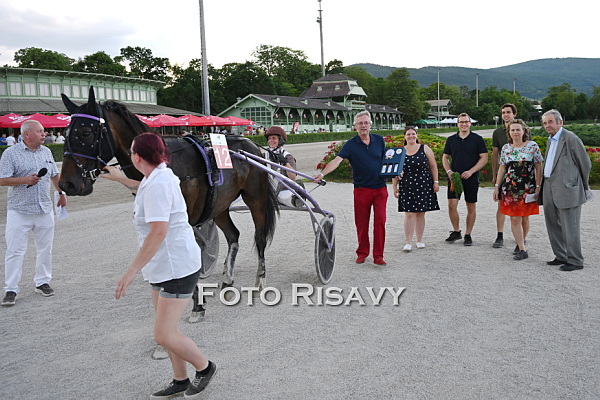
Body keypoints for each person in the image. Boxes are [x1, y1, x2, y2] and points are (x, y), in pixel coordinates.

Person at [100, 133, 217, 398]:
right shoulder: (157, 176)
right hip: (163, 264)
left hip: (176, 266)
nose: (130, 155)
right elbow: (143, 187)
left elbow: (158, 232)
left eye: (131, 151)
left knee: (163, 334)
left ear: (138, 157)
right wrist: (120, 179)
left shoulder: (159, 183)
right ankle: (180, 379)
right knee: (168, 329)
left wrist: (131, 271)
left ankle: (205, 367)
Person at [0, 120, 67, 306]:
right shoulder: (10, 153)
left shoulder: (46, 152)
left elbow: (54, 174)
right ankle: (11, 289)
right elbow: (2, 179)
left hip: (44, 208)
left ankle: (42, 281)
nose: (44, 134)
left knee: (45, 248)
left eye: (44, 131)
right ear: (26, 134)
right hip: (19, 210)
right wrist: (24, 180)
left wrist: (61, 193)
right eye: (40, 131)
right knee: (15, 250)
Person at [314, 111, 389, 265]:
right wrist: (322, 174)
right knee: (361, 223)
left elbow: (386, 161)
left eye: (366, 123)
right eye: (360, 123)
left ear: (370, 124)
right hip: (362, 190)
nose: (363, 126)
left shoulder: (379, 140)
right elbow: (337, 161)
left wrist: (396, 172)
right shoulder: (350, 144)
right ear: (355, 126)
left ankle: (378, 255)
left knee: (380, 222)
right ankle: (362, 252)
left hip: (380, 189)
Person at [538, 109, 591, 271]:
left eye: (550, 122)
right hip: (549, 187)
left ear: (560, 122)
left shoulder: (571, 139)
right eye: (545, 123)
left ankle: (575, 260)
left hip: (568, 189)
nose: (547, 125)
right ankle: (561, 255)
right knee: (552, 224)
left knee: (570, 226)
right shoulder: (550, 140)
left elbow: (585, 164)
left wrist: (581, 186)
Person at [492, 119, 543, 260]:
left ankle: (521, 242)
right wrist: (497, 187)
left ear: (523, 131)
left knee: (525, 218)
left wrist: (538, 186)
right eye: (512, 130)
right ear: (509, 132)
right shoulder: (506, 148)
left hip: (527, 188)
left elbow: (538, 166)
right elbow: (502, 167)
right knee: (514, 218)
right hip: (510, 188)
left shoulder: (532, 146)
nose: (515, 132)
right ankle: (522, 248)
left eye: (517, 129)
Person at [441, 113, 488, 246]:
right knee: (452, 205)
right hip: (455, 177)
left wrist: (471, 171)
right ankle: (456, 231)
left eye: (466, 122)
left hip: (471, 177)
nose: (464, 124)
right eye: (461, 122)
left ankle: (468, 234)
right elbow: (445, 157)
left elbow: (484, 158)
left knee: (470, 205)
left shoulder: (477, 139)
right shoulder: (451, 139)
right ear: (457, 124)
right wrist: (449, 171)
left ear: (470, 123)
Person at [392, 126, 440, 251]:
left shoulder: (425, 148)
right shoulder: (400, 151)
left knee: (420, 212)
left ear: (416, 135)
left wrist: (436, 182)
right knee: (409, 213)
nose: (411, 136)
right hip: (406, 184)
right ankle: (408, 242)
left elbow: (433, 166)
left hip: (423, 183)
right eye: (408, 134)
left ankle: (419, 240)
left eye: (413, 134)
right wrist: (394, 187)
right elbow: (395, 170)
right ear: (404, 136)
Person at [491, 103, 517, 248]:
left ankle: (520, 235)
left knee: (519, 205)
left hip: (519, 173)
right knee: (501, 204)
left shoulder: (522, 129)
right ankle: (500, 234)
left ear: (514, 114)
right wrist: (495, 174)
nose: (506, 115)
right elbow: (495, 154)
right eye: (503, 113)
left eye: (508, 112)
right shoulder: (498, 133)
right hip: (504, 172)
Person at [264, 126, 301, 207]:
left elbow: (293, 177)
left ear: (280, 140)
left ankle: (297, 196)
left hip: (284, 192)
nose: (271, 141)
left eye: (274, 138)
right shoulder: (264, 155)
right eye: (269, 138)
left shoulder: (287, 156)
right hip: (268, 193)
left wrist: (285, 162)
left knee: (292, 199)